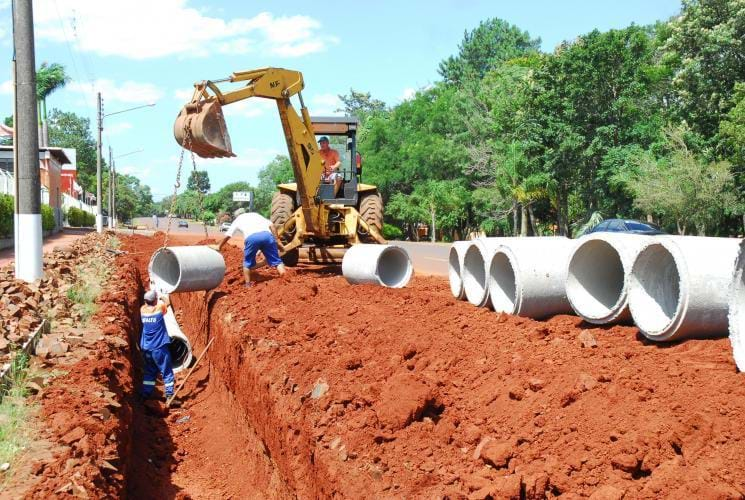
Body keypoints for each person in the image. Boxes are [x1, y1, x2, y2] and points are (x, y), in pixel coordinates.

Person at [211, 212, 286, 287]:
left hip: (252, 238)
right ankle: (286, 278)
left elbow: (228, 235)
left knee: (247, 264)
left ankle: (247, 285)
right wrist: (277, 240)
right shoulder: (256, 214)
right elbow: (272, 226)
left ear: (237, 215)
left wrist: (219, 246)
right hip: (267, 236)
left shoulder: (238, 219)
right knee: (277, 261)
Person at [140, 290, 178, 406]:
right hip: (159, 348)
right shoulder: (159, 309)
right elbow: (168, 303)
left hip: (146, 348)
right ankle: (169, 396)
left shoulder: (142, 310)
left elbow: (150, 304)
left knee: (150, 373)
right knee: (166, 372)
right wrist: (163, 296)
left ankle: (145, 394)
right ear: (155, 300)